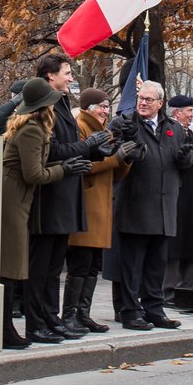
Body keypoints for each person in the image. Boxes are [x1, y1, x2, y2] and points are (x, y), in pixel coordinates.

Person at [0, 78, 90, 349]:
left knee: (10, 266)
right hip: (13, 200)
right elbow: (34, 173)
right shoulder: (33, 130)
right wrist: (66, 169)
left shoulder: (30, 126)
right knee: (9, 266)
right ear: (44, 107)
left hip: (13, 197)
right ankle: (4, 329)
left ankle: (6, 328)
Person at [27, 54, 115, 343]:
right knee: (41, 267)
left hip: (66, 192)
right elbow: (50, 150)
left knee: (54, 267)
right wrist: (85, 145)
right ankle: (35, 322)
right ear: (50, 75)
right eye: (66, 72)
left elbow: (68, 146)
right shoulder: (42, 106)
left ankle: (51, 318)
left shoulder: (62, 102)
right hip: (49, 195)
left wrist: (95, 150)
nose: (70, 77)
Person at [107, 80, 193, 330]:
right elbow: (111, 155)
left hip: (165, 206)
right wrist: (125, 150)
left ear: (160, 103)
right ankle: (130, 311)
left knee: (156, 265)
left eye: (149, 99)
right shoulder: (124, 123)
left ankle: (154, 309)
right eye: (140, 98)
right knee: (131, 265)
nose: (143, 103)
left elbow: (182, 159)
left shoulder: (173, 128)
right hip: (134, 205)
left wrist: (186, 159)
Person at [66, 88, 129, 333]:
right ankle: (70, 315)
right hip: (86, 204)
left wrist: (126, 157)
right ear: (89, 107)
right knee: (80, 264)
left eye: (106, 106)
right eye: (102, 106)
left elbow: (115, 172)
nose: (105, 110)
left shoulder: (104, 131)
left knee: (92, 265)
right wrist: (115, 159)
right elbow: (83, 165)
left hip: (101, 203)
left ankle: (83, 314)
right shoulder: (80, 126)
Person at [163, 94, 193, 296]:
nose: (192, 114)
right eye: (188, 110)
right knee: (176, 241)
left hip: (192, 194)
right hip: (177, 194)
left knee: (191, 239)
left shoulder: (190, 132)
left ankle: (189, 285)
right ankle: (171, 287)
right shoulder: (170, 131)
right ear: (177, 112)